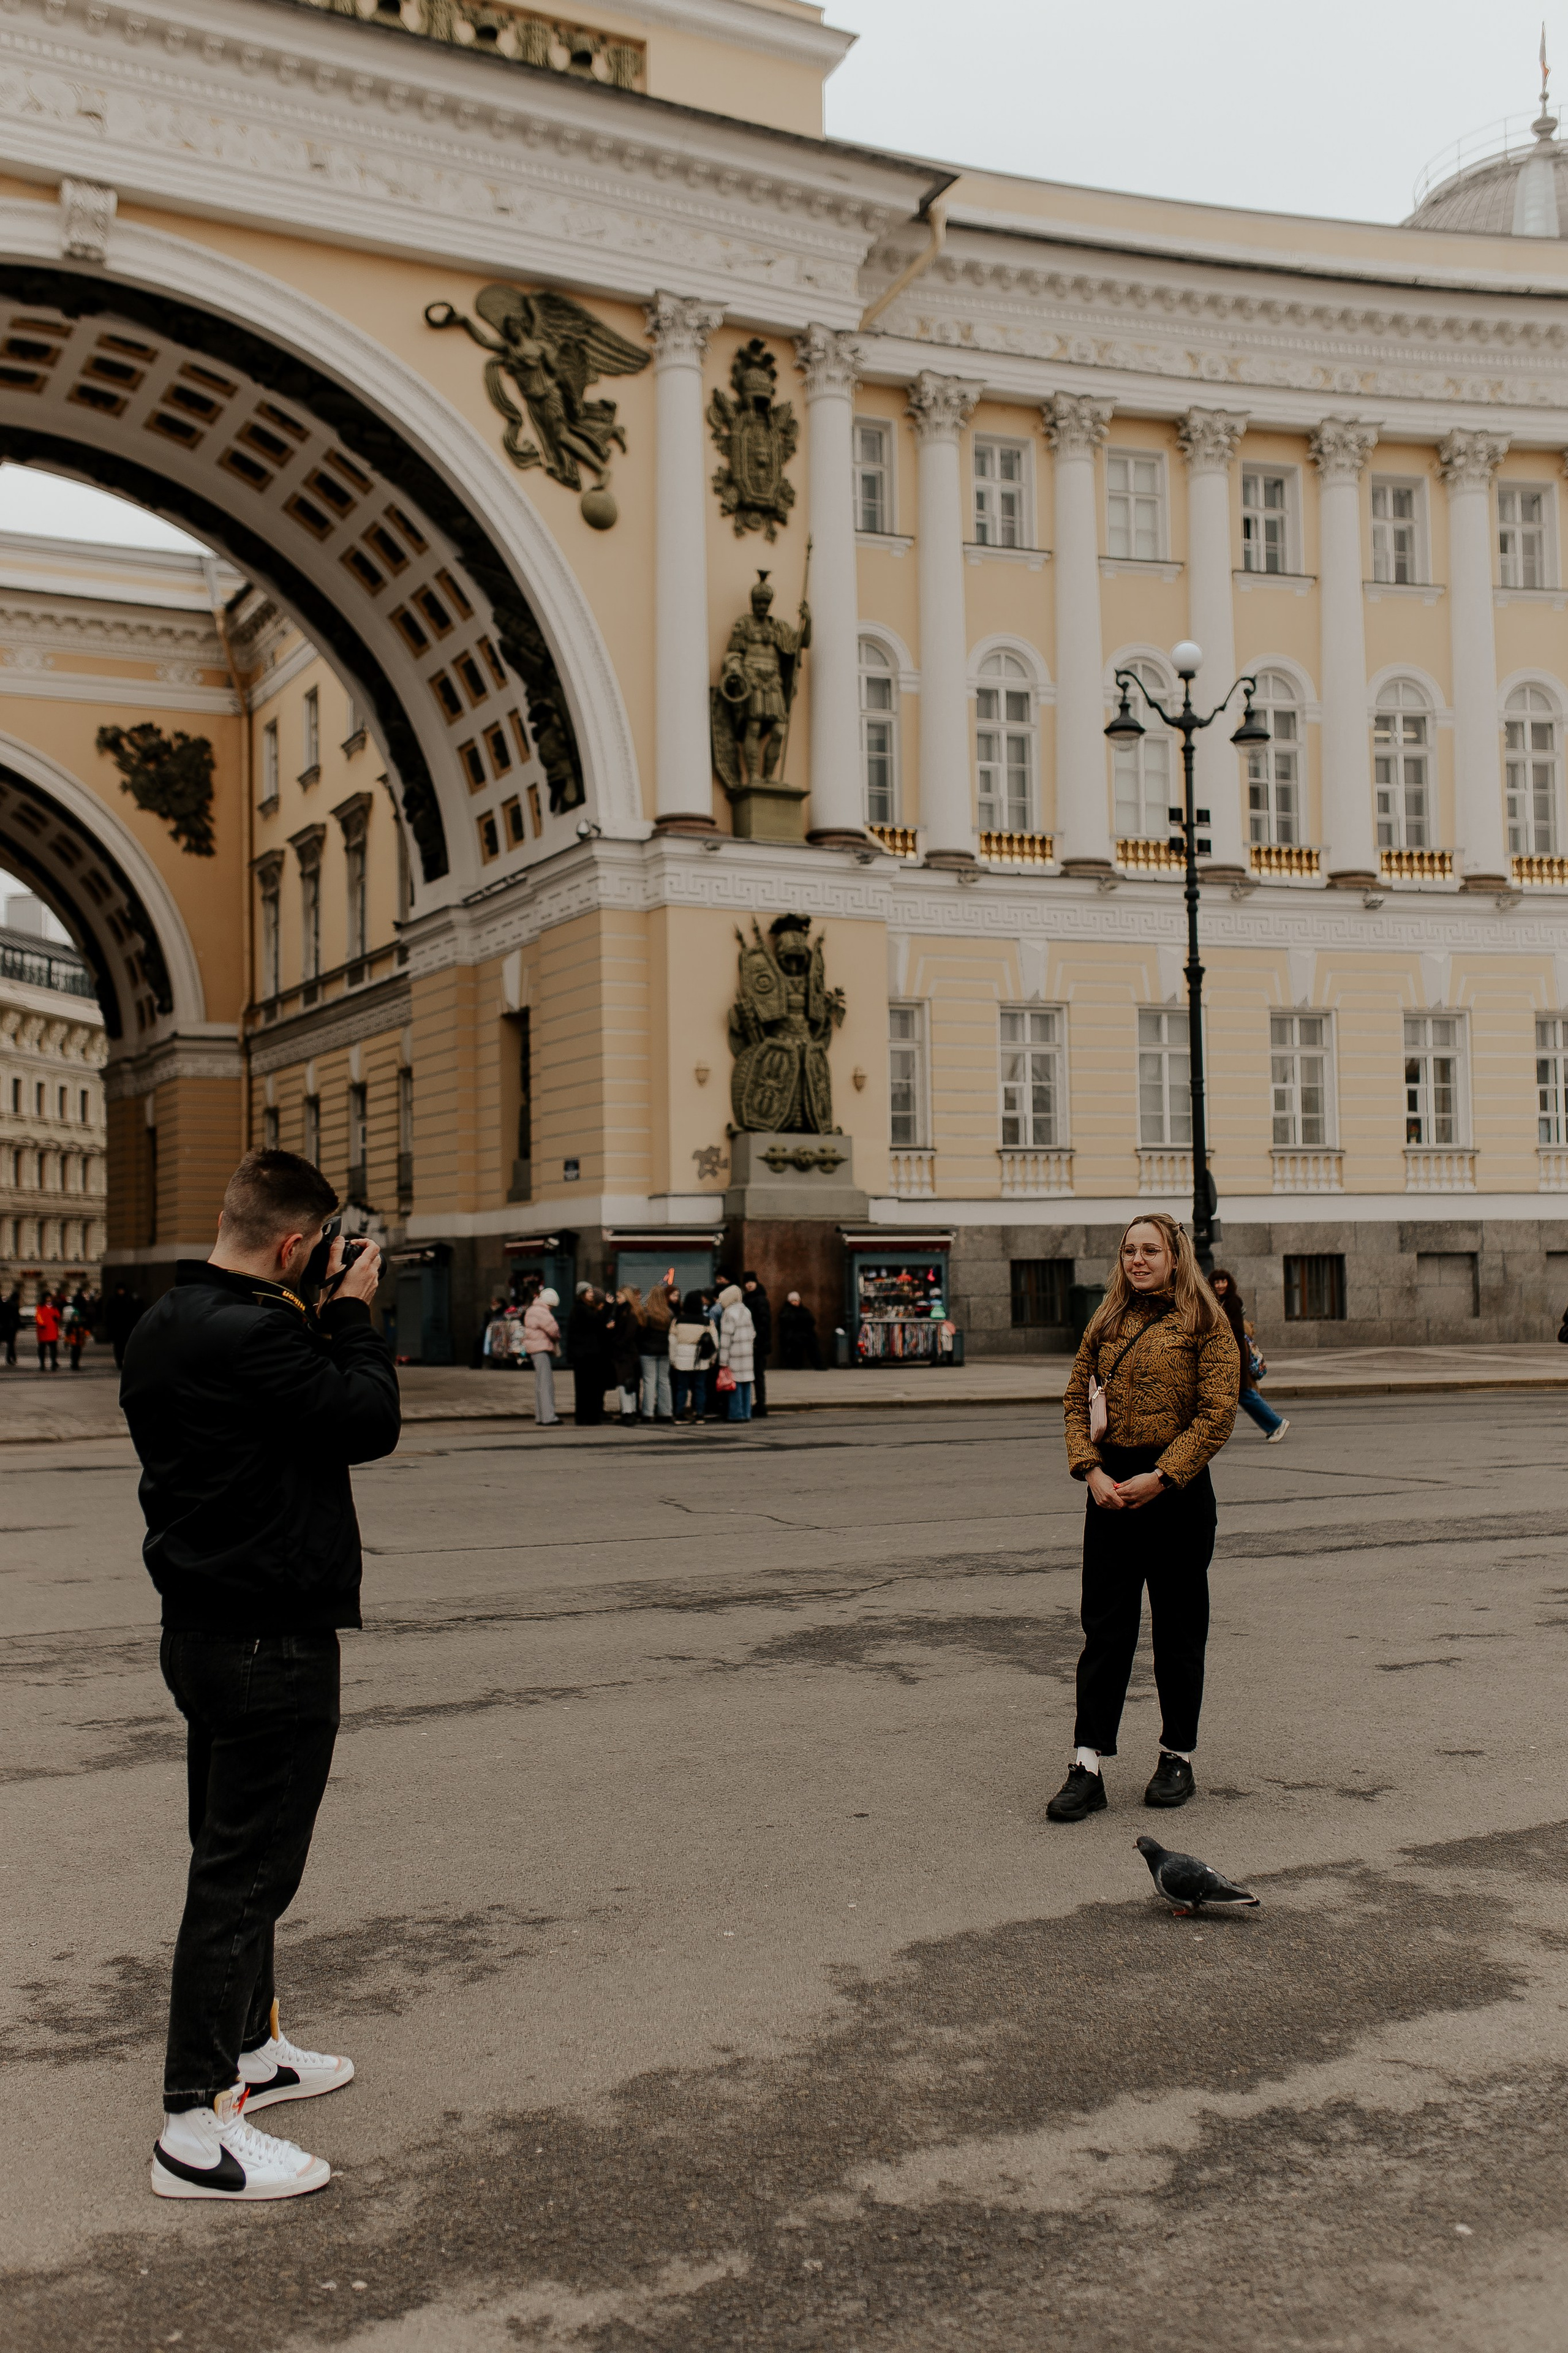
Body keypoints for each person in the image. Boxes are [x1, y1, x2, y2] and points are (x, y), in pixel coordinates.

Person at [119, 1147, 399, 2200]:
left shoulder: (166, 1323)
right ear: (294, 1244)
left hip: (200, 1628)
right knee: (244, 1878)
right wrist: (356, 1312)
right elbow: (367, 1420)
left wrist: (313, 1314)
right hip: (270, 1639)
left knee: (229, 1852)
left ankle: (253, 2052)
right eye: (320, 1245)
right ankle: (195, 2130)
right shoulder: (264, 1334)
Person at [1049, 1212, 1238, 1826]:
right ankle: (1086, 1766)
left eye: (1149, 1250)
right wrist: (1091, 1472)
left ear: (1174, 1258)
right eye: (1129, 1250)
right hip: (1111, 1491)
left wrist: (1161, 1476)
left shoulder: (1206, 1322)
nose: (1137, 1259)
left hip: (1175, 1492)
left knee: (1178, 1632)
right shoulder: (1105, 1319)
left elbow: (1216, 1413)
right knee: (1105, 1631)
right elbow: (1077, 1396)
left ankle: (1176, 1756)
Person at [1211, 1269, 1289, 1444]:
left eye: (1223, 1282)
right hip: (1231, 1353)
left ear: (1229, 1283)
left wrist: (1237, 1360)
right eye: (1217, 1282)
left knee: (1244, 1393)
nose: (1220, 1285)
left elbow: (1237, 1332)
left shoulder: (1231, 1302)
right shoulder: (1222, 1302)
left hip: (1236, 1353)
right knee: (1235, 1394)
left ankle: (1276, 1423)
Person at [566, 1284, 614, 1426]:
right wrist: (608, 1307)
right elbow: (596, 1322)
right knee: (587, 1388)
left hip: (585, 1354)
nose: (591, 1294)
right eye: (588, 1292)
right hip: (585, 1355)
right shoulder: (581, 1309)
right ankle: (587, 1417)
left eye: (592, 1291)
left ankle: (586, 1416)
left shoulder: (582, 1309)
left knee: (586, 1388)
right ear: (581, 1294)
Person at [670, 1289, 717, 1421]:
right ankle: (699, 1414)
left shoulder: (678, 1320)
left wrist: (673, 1360)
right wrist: (712, 1359)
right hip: (701, 1358)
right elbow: (715, 1343)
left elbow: (672, 1341)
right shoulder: (707, 1321)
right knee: (700, 1388)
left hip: (682, 1358)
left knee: (682, 1388)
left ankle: (679, 1414)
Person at [521, 1285, 561, 1425]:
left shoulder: (532, 1309)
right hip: (541, 1348)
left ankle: (540, 1416)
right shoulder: (542, 1311)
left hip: (534, 1349)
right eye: (552, 1306)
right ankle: (549, 1417)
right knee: (546, 1383)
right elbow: (553, 1329)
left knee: (540, 1383)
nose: (552, 1309)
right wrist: (558, 1337)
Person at [717, 1282, 756, 1422]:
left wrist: (723, 1361)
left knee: (735, 1385)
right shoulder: (746, 1311)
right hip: (747, 1354)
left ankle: (736, 1414)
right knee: (746, 1384)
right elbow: (753, 1333)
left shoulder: (729, 1313)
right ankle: (746, 1413)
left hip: (735, 1354)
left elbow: (726, 1338)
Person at [638, 1282, 676, 1422]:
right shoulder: (669, 1314)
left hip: (647, 1352)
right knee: (664, 1381)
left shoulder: (646, 1314)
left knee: (649, 1382)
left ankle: (648, 1413)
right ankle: (666, 1412)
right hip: (664, 1352)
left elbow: (641, 1333)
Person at [742, 1271, 772, 1416]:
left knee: (758, 1375)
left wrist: (757, 1341)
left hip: (758, 1344)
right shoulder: (747, 1299)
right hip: (754, 1342)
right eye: (747, 1283)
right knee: (755, 1375)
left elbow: (764, 1323)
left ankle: (761, 1404)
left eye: (751, 1282)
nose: (749, 1285)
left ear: (756, 1282)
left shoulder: (760, 1299)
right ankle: (759, 1404)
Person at [611, 1286, 643, 1426]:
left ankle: (628, 1413)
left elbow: (628, 1334)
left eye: (619, 1297)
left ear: (627, 1297)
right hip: (628, 1353)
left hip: (625, 1354)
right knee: (629, 1383)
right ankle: (630, 1412)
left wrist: (617, 1343)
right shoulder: (627, 1311)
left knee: (625, 1384)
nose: (617, 1300)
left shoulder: (628, 1313)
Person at [777, 1289, 821, 1370]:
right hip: (792, 1334)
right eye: (793, 1301)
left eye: (797, 1300)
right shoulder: (786, 1310)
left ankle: (818, 1364)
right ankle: (796, 1364)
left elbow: (811, 1321)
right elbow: (786, 1322)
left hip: (805, 1333)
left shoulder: (804, 1310)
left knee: (812, 1341)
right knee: (796, 1342)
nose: (795, 1302)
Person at [106, 1281, 146, 1370]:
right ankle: (119, 1362)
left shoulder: (129, 1299)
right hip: (117, 1328)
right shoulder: (113, 1300)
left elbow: (134, 1312)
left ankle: (124, 1361)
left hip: (126, 1327)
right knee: (118, 1347)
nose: (121, 1292)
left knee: (125, 1346)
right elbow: (109, 1315)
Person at [34, 1290, 60, 1373]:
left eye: (50, 1298)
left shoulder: (54, 1307)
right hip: (44, 1330)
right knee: (42, 1349)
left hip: (52, 1330)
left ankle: (53, 1363)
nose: (49, 1299)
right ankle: (42, 1364)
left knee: (54, 1348)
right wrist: (42, 1324)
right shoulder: (40, 1307)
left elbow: (58, 1316)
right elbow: (38, 1316)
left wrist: (57, 1317)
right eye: (47, 1298)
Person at [1, 1283, 21, 1367]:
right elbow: (16, 1317)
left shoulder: (6, 1303)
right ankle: (11, 1358)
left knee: (10, 1343)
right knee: (11, 1343)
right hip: (11, 1326)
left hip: (4, 1325)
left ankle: (12, 1358)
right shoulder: (14, 1305)